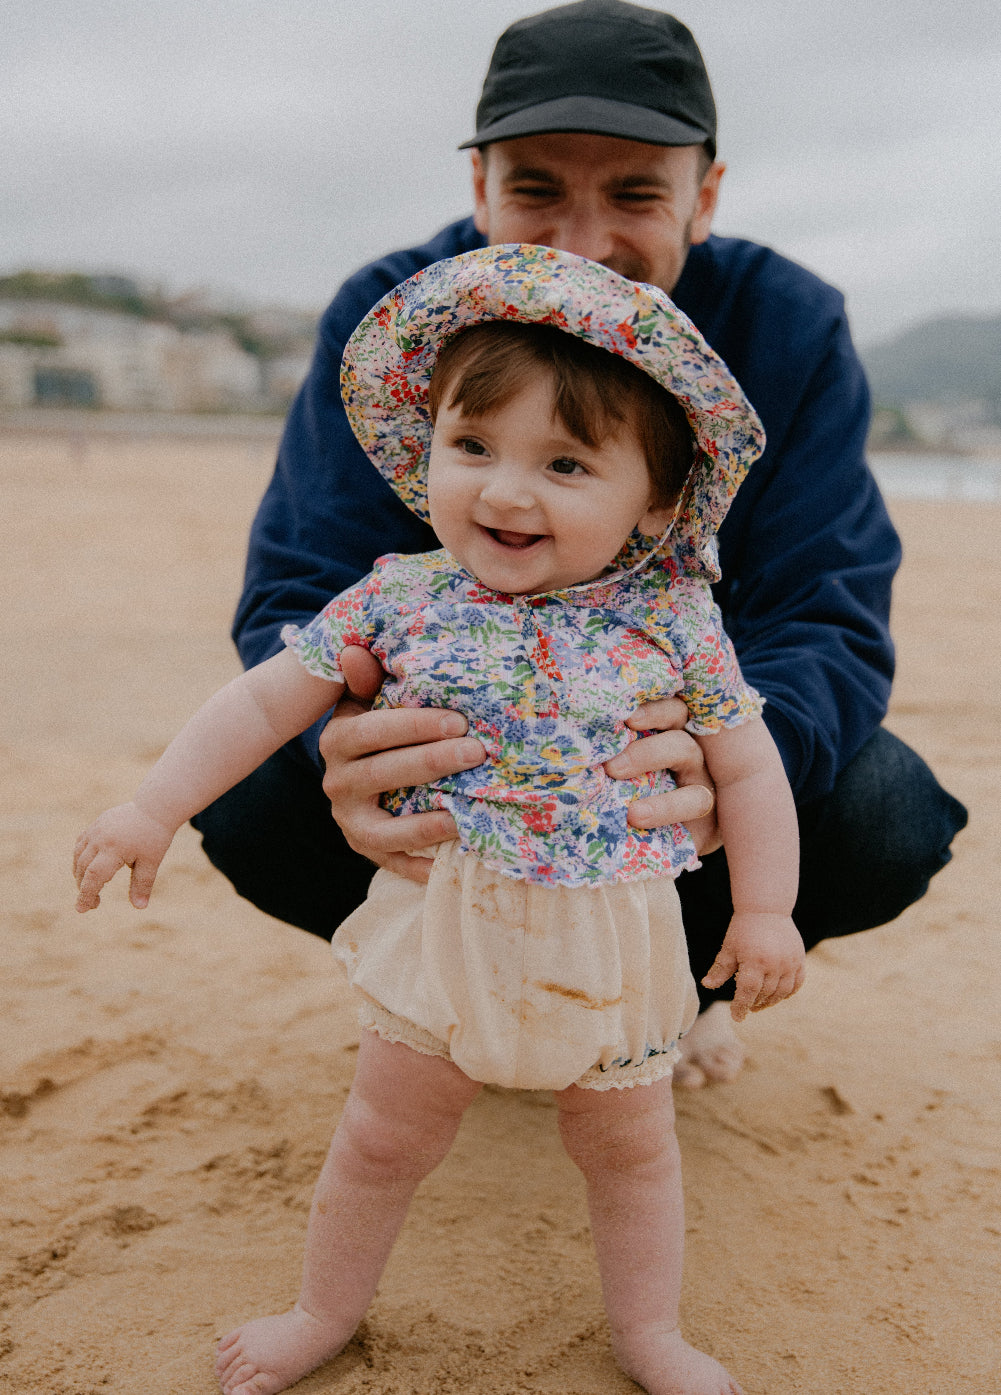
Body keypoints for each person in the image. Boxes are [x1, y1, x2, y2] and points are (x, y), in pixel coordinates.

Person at [192, 0, 967, 1088]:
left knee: (885, 808)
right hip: (450, 769)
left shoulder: (787, 323)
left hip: (653, 770)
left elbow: (822, 611)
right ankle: (442, 987)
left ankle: (677, 990)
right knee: (245, 794)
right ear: (478, 192)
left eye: (637, 193)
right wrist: (360, 733)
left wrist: (729, 767)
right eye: (536, 190)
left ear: (704, 197)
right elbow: (300, 580)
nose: (582, 241)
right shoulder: (391, 312)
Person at [76, 244, 800, 1395]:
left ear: (654, 503)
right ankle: (321, 1310)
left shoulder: (675, 619)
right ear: (429, 453)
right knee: (382, 1137)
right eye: (472, 448)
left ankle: (648, 1335)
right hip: (438, 918)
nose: (504, 492)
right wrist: (151, 806)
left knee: (626, 1151)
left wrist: (763, 910)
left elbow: (750, 770)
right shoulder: (400, 594)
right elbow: (267, 698)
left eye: (564, 463)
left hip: (607, 933)